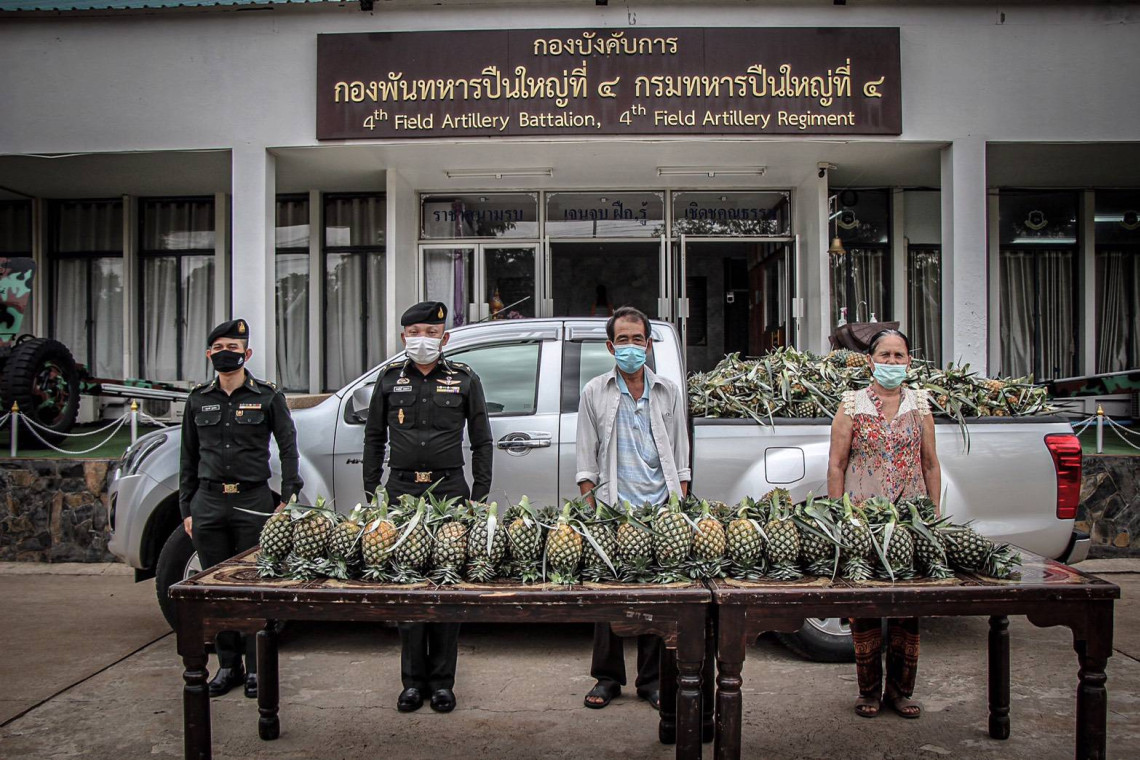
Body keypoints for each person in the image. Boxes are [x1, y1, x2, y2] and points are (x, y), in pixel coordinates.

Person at [363, 301, 493, 714]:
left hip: (450, 491)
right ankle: (412, 683)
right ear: (404, 337)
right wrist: (372, 493)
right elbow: (373, 438)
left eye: (432, 333)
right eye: (416, 332)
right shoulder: (388, 379)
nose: (424, 340)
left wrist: (479, 495)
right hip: (401, 491)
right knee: (407, 585)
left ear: (445, 338)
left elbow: (482, 440)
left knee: (447, 584)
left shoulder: (464, 379)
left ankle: (442, 683)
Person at [575, 305, 691, 711]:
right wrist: (593, 509)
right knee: (608, 596)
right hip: (613, 509)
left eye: (637, 339)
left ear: (648, 344)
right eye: (622, 340)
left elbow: (680, 456)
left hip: (659, 508)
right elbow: (585, 460)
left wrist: (679, 504)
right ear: (611, 347)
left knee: (656, 598)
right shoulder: (594, 392)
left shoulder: (667, 392)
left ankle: (651, 681)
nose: (630, 347)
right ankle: (607, 678)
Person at [179, 318, 302, 699]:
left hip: (252, 501)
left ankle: (256, 668)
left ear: (246, 354)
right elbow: (188, 457)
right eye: (218, 348)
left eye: (232, 348)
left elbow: (288, 446)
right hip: (209, 502)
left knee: (252, 587)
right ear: (208, 354)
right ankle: (229, 666)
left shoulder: (267, 396)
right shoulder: (197, 399)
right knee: (217, 590)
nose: (225, 354)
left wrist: (288, 496)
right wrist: (187, 508)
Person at [826, 328, 942, 719]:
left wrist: (933, 513)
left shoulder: (920, 404)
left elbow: (930, 463)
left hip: (910, 521)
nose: (892, 362)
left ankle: (901, 691)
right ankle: (869, 691)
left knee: (908, 605)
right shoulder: (852, 404)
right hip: (865, 520)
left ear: (909, 361)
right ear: (870, 360)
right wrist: (840, 516)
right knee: (866, 604)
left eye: (899, 356)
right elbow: (837, 464)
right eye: (885, 355)